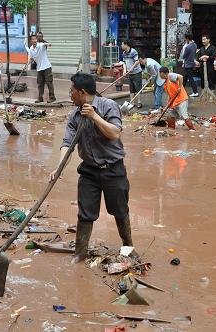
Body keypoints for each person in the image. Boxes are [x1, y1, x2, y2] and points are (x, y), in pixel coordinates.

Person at [49, 73, 132, 264]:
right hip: (89, 171)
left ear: (82, 92)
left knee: (120, 211)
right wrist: (59, 167)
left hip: (113, 170)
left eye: (72, 91)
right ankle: (80, 252)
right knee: (85, 213)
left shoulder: (108, 106)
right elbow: (67, 144)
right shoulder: (74, 115)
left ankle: (128, 247)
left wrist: (94, 116)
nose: (70, 95)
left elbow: (115, 133)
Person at [159, 66, 196, 131]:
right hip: (174, 100)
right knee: (170, 113)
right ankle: (171, 129)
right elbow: (170, 96)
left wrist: (179, 87)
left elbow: (180, 77)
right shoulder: (166, 83)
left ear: (164, 73)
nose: (160, 76)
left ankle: (192, 129)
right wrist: (167, 106)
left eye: (160, 74)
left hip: (181, 99)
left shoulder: (170, 76)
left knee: (184, 116)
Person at [26, 34, 55, 104]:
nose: (34, 40)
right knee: (40, 84)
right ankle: (40, 98)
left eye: (35, 39)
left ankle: (52, 97)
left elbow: (45, 44)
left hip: (47, 67)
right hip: (39, 68)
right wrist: (27, 64)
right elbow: (31, 59)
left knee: (49, 82)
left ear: (37, 40)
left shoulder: (40, 45)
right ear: (30, 41)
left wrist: (49, 44)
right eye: (32, 39)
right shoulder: (31, 49)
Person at [119, 40, 143, 108]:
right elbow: (124, 63)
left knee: (138, 87)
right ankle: (132, 102)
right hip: (130, 73)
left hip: (137, 72)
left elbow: (137, 61)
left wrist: (132, 67)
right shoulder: (124, 53)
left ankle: (139, 102)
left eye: (122, 44)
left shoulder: (133, 51)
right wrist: (124, 71)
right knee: (131, 88)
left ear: (126, 45)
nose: (121, 46)